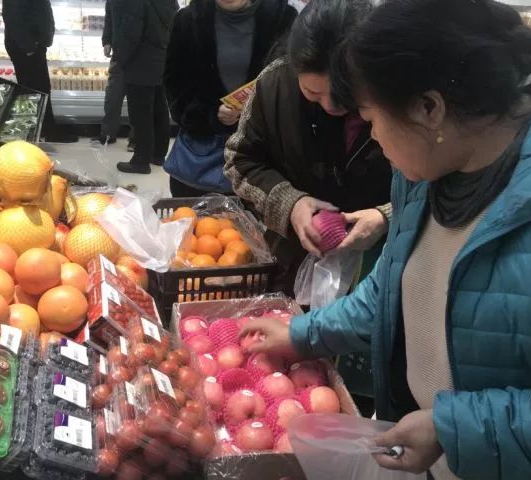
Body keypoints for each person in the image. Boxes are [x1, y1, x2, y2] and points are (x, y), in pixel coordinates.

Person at [239, 1, 531, 480]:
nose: (371, 138)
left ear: (428, 108)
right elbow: (394, 289)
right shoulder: (428, 172)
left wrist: (451, 427)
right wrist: (302, 334)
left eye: (371, 118)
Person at [224, 0, 392, 289]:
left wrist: (386, 215)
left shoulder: (395, 98)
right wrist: (291, 204)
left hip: (379, 270)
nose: (330, 106)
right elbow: (241, 160)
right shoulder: (274, 86)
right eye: (312, 92)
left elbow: (434, 184)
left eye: (345, 94)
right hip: (291, 264)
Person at [164, 0, 297, 197]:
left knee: (250, 225)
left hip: (259, 156)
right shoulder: (188, 21)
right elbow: (175, 84)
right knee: (194, 223)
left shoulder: (283, 20)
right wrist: (211, 113)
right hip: (200, 156)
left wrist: (257, 110)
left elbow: (292, 83)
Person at [114, 0, 178, 175]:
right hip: (160, 61)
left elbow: (131, 34)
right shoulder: (170, 2)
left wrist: (121, 58)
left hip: (139, 62)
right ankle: (158, 155)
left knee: (140, 115)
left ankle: (141, 161)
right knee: (159, 110)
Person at [2, 0, 78, 143]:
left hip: (33, 45)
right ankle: (35, 133)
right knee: (33, 90)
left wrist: (45, 39)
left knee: (40, 88)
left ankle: (44, 130)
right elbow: (12, 16)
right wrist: (29, 47)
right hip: (26, 48)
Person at [94, 0, 135, 150]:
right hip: (118, 55)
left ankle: (136, 139)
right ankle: (108, 133)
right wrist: (107, 41)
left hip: (139, 56)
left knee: (137, 100)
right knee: (112, 97)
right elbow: (109, 19)